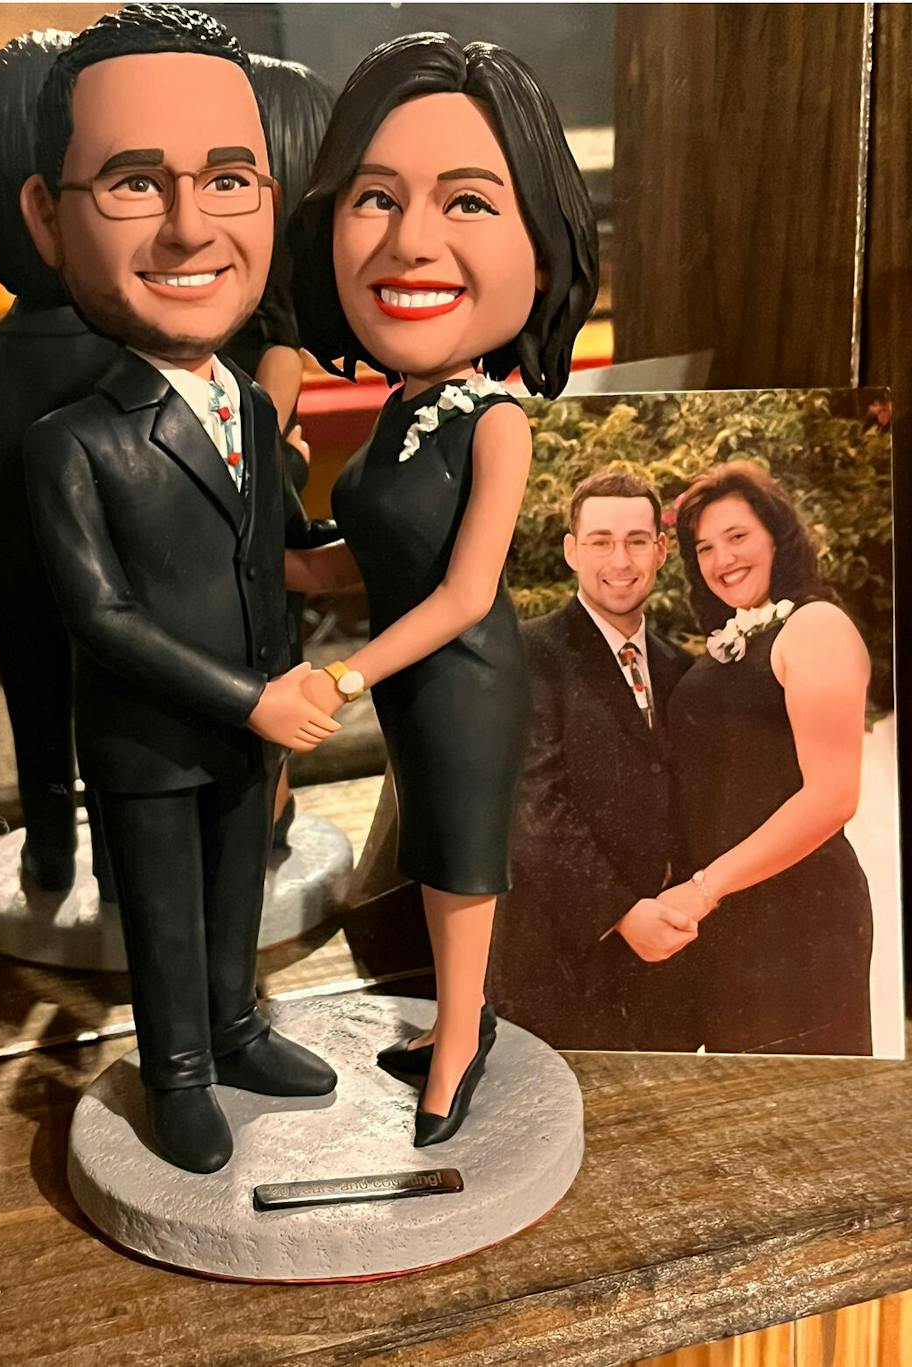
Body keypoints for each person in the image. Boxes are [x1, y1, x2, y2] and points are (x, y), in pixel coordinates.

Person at [18, 4, 339, 1174]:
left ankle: (237, 1026)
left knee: (235, 890)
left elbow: (275, 540)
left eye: (229, 179)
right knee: (162, 911)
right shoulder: (73, 442)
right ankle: (180, 1066)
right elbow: (100, 617)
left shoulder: (247, 399)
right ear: (47, 217)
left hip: (255, 721)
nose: (190, 224)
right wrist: (253, 697)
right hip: (151, 737)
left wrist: (369, 546)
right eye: (134, 183)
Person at [287, 33, 598, 1144]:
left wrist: (346, 675)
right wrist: (287, 555)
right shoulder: (402, 408)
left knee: (462, 861)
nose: (411, 240)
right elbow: (371, 548)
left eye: (467, 201)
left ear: (542, 248)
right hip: (411, 682)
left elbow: (467, 593)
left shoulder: (496, 422)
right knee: (429, 850)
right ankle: (454, 1020)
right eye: (375, 198)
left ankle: (459, 1043)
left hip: (460, 677)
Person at [0, 31, 119, 897]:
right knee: (118, 724)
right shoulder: (137, 359)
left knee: (35, 725)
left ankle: (48, 852)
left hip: (14, 582)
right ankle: (120, 859)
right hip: (126, 589)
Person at [663, 460, 874, 1055]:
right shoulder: (740, 638)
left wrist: (704, 889)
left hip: (798, 915)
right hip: (731, 915)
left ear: (777, 537)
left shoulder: (815, 625)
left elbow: (833, 796)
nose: (722, 559)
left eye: (737, 536)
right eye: (705, 547)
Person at [487, 468, 698, 1051]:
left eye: (636, 541)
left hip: (660, 971)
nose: (620, 560)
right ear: (572, 551)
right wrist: (623, 913)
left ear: (660, 551)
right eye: (601, 541)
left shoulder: (678, 668)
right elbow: (533, 806)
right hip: (559, 965)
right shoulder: (529, 653)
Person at [222, 54, 336, 848]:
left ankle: (270, 817)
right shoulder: (265, 342)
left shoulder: (269, 342)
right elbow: (263, 467)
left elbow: (255, 469)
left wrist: (285, 458)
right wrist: (290, 457)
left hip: (255, 565)